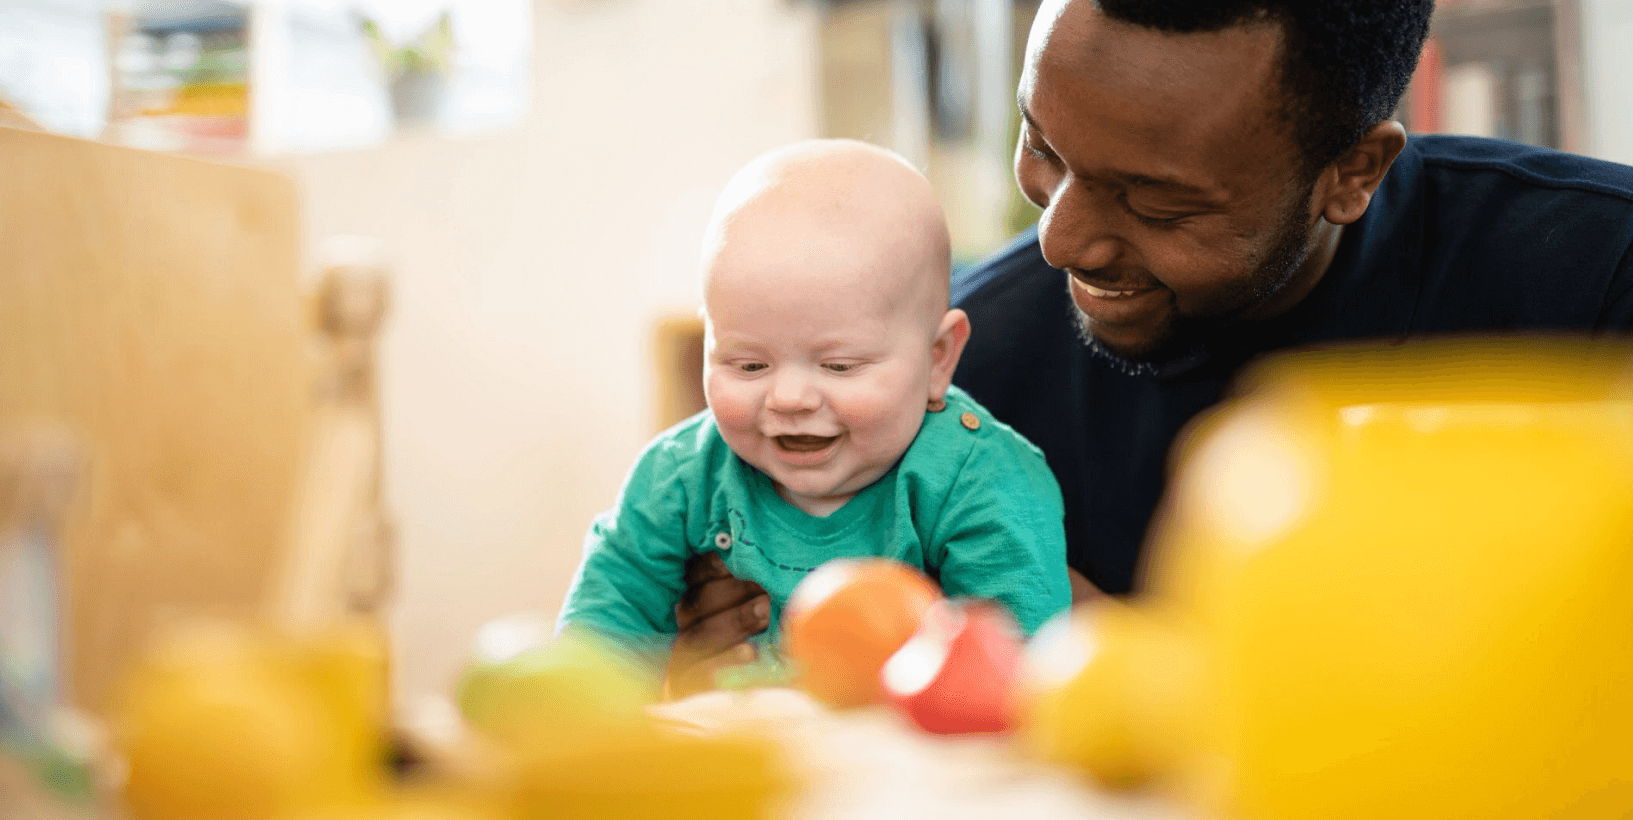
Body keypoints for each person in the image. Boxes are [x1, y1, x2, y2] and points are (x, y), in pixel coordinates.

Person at [668, 0, 1633, 676]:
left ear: (1352, 170)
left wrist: (1128, 657)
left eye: (1156, 200)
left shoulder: (1596, 286)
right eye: (1043, 146)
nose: (1061, 237)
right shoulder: (959, 374)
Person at [557, 139, 1070, 694]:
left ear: (938, 357)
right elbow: (595, 647)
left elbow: (1015, 675)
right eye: (748, 363)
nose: (790, 397)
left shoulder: (981, 479)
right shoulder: (679, 477)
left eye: (839, 365)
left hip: (905, 765)